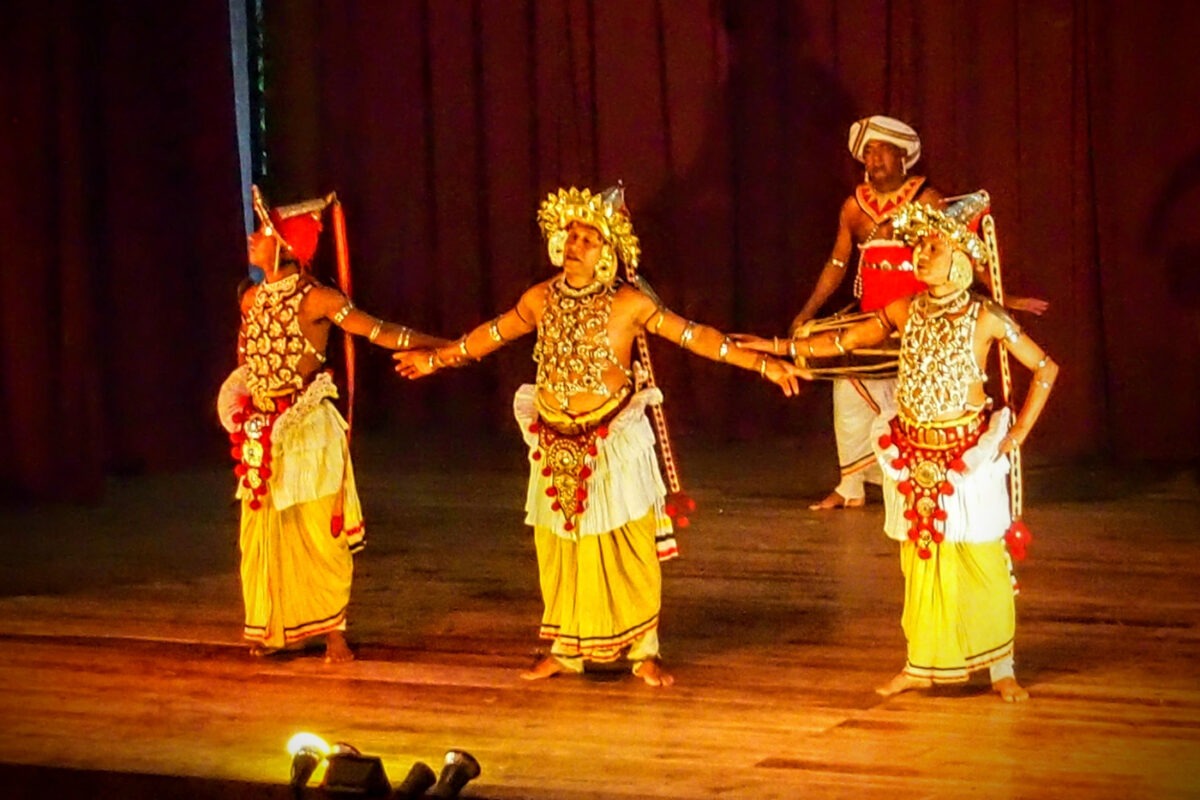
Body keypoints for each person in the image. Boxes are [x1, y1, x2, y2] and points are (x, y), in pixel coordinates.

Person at [394, 185, 801, 687]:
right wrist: (435, 360)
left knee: (627, 544)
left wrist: (763, 364)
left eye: (588, 239)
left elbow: (697, 337)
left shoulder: (629, 304)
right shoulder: (540, 298)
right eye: (571, 235)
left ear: (607, 254)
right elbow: (490, 335)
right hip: (552, 441)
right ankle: (567, 648)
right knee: (560, 548)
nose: (574, 244)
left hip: (612, 441)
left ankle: (643, 650)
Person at [750, 195, 1057, 701]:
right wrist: (782, 349)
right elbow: (848, 340)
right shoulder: (905, 309)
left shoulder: (986, 316)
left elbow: (1045, 369)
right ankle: (922, 663)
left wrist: (1018, 434)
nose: (919, 254)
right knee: (921, 563)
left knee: (979, 558)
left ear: (959, 254)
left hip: (966, 455)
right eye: (918, 246)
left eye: (931, 246)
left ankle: (1001, 668)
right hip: (912, 452)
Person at [217, 187, 444, 663]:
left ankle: (334, 632)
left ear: (286, 244)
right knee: (264, 530)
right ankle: (274, 626)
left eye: (263, 232)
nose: (253, 239)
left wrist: (445, 348)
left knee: (321, 530)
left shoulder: (317, 298)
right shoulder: (252, 299)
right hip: (262, 430)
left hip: (307, 427)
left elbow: (378, 329)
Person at [791, 116, 1047, 510]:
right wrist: (806, 313)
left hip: (918, 322)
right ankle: (851, 486)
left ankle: (912, 484)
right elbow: (838, 265)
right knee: (848, 396)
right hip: (872, 318)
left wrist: (1002, 298)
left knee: (906, 401)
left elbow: (961, 256)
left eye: (882, 151)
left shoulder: (926, 201)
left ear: (902, 158)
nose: (873, 159)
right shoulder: (853, 208)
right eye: (868, 152)